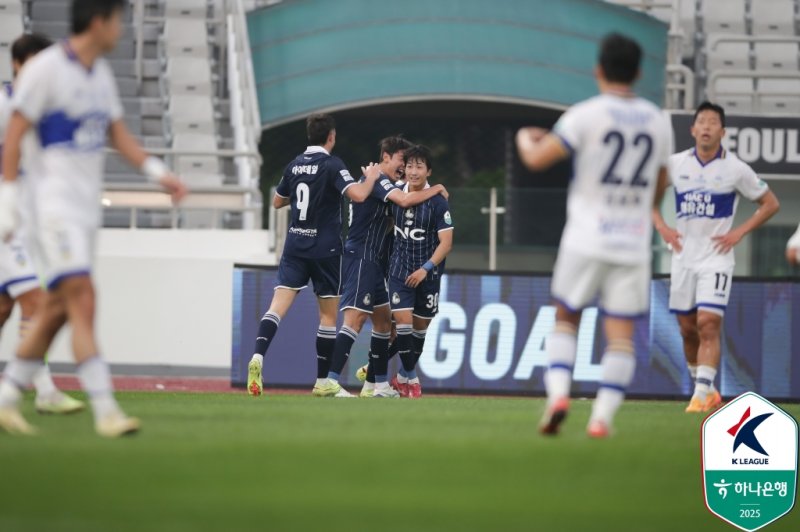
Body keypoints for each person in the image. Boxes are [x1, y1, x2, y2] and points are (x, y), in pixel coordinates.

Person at [0, 0, 187, 437]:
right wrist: (8, 203)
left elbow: (117, 134)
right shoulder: (46, 70)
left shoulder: (99, 74)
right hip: (51, 208)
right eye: (119, 19)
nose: (122, 29)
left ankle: (8, 398)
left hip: (84, 212)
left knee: (57, 310)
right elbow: (13, 139)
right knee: (83, 297)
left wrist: (160, 174)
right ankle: (105, 410)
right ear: (99, 21)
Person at [515, 33, 672, 438]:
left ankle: (558, 398)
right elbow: (661, 180)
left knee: (566, 318)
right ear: (639, 72)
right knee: (620, 335)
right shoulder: (658, 120)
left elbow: (536, 158)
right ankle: (602, 418)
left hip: (585, 237)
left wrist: (524, 137)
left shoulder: (584, 114)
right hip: (633, 243)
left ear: (598, 69)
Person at [653, 101, 779, 413]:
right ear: (693, 129)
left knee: (708, 322)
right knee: (686, 328)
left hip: (717, 259)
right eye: (702, 122)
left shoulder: (736, 169)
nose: (707, 127)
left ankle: (700, 394)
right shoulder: (676, 164)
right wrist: (663, 228)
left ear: (722, 132)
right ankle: (706, 389)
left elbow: (770, 203)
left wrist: (740, 232)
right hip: (683, 257)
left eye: (713, 122)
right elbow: (647, 196)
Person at [246, 113, 383, 398]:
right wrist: (371, 178)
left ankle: (258, 356)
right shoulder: (332, 165)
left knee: (277, 308)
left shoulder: (294, 164)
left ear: (309, 135)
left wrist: (296, 195)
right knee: (327, 318)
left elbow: (276, 201)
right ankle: (323, 381)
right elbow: (357, 195)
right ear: (331, 137)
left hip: (295, 245)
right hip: (326, 250)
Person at [313, 137, 448, 398]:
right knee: (354, 319)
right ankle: (327, 380)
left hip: (374, 260)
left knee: (385, 323)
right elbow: (405, 201)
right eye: (402, 161)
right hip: (362, 255)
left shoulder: (378, 180)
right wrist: (437, 187)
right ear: (386, 157)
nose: (405, 167)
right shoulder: (379, 180)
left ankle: (377, 385)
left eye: (410, 163)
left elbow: (391, 217)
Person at [0, 33, 85, 415]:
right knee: (36, 299)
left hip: (28, 216)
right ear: (17, 64)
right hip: (6, 216)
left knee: (5, 307)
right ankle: (45, 390)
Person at [385, 144, 454, 399]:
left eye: (419, 167)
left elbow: (446, 243)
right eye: (410, 166)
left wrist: (426, 269)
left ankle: (403, 375)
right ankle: (412, 379)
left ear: (429, 171)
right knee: (403, 323)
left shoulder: (438, 203)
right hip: (400, 270)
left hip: (429, 274)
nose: (414, 172)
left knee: (419, 330)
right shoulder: (394, 193)